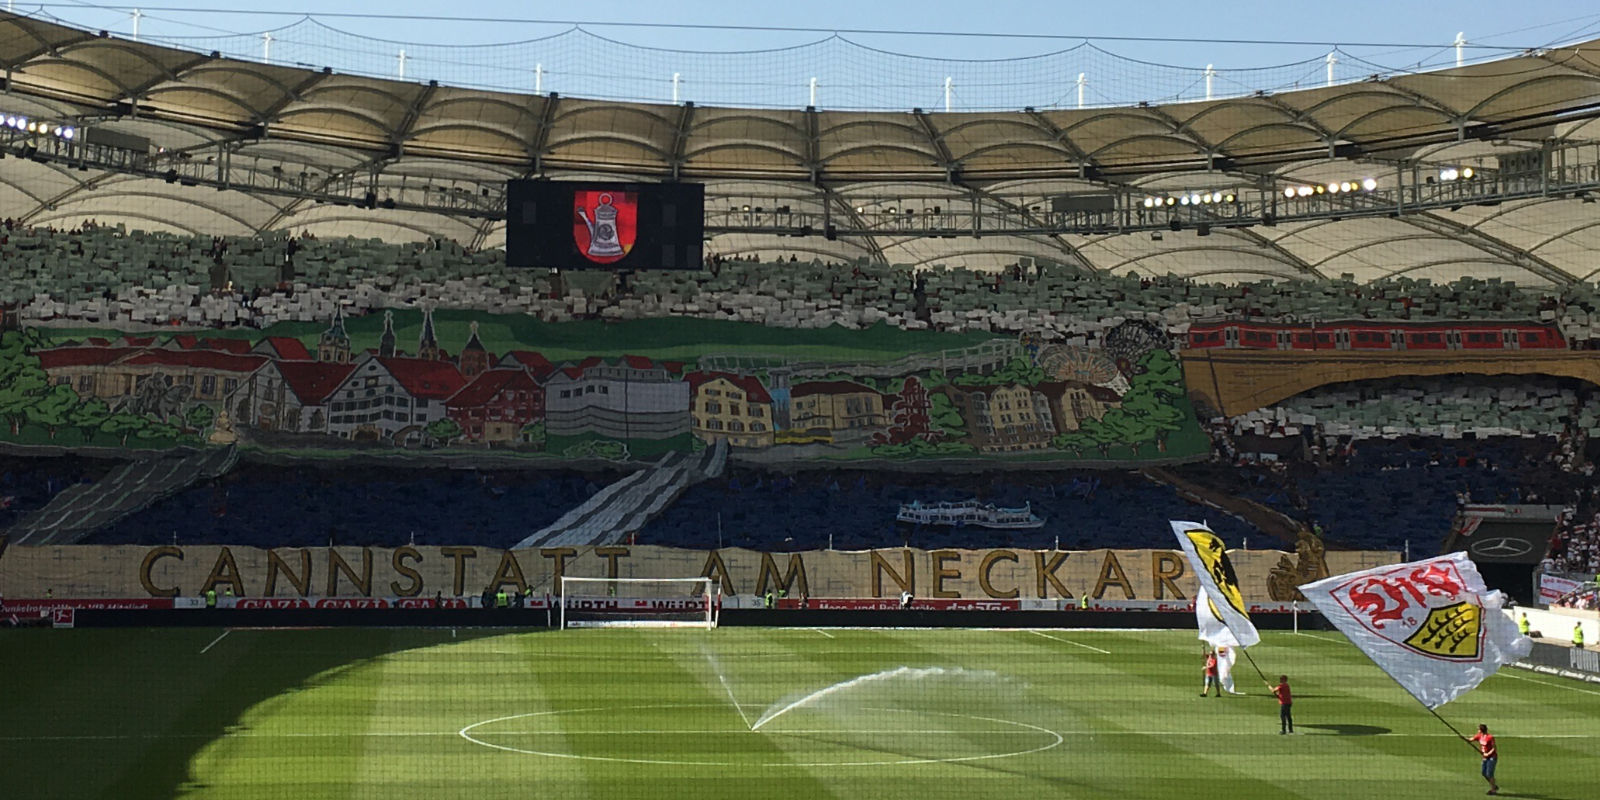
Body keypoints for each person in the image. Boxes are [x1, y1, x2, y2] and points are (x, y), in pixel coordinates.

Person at [1466, 724, 1499, 795]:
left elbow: (1494, 748)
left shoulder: (1490, 737)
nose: (1477, 731)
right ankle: (1493, 785)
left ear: (1481, 730)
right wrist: (1465, 739)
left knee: (1489, 773)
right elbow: (1471, 740)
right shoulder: (1479, 736)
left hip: (1492, 757)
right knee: (1484, 773)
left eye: (1478, 729)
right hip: (1484, 757)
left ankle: (1493, 790)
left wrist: (1488, 754)